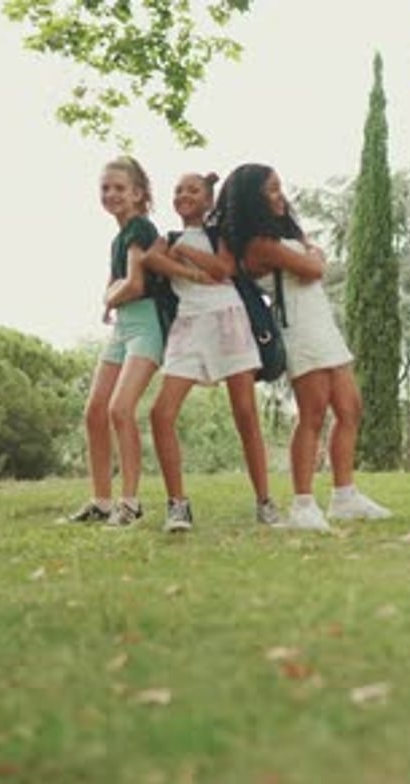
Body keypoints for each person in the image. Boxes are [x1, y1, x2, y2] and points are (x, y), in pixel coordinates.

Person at [213, 163, 392, 531]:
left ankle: (345, 496)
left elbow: (311, 259)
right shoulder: (259, 245)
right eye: (272, 191)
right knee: (312, 412)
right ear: (253, 200)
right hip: (300, 329)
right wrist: (314, 254)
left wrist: (311, 253)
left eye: (280, 188)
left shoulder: (278, 234)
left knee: (349, 407)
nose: (281, 196)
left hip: (321, 324)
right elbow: (314, 269)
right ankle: (303, 504)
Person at [144, 171, 280, 532]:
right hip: (188, 325)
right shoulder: (166, 238)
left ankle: (265, 501)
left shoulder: (220, 234)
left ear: (208, 201)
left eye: (193, 189)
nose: (184, 194)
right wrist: (187, 273)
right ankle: (178, 505)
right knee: (161, 413)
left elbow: (223, 269)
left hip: (228, 319)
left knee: (245, 413)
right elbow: (151, 261)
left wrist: (187, 253)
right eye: (177, 189)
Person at [70, 156, 163, 526]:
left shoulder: (141, 227)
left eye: (120, 188)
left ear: (139, 194)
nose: (111, 194)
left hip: (147, 326)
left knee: (120, 410)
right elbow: (115, 281)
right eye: (105, 188)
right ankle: (102, 502)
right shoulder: (119, 237)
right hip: (123, 327)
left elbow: (135, 285)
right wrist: (112, 297)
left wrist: (109, 299)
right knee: (95, 411)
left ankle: (131, 504)